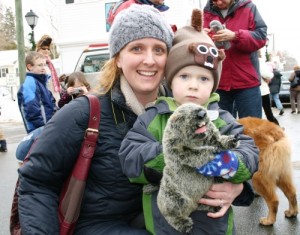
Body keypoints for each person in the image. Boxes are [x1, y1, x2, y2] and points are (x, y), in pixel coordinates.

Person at [17, 5, 173, 234]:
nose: (149, 60)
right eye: (137, 48)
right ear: (118, 58)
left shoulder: (181, 112)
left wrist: (232, 187)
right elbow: (37, 182)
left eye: (159, 50)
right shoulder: (84, 113)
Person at [119, 9, 259, 235]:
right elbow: (130, 158)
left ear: (213, 85)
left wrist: (230, 164)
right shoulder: (155, 116)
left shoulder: (221, 118)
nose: (193, 85)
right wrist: (177, 155)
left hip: (216, 226)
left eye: (203, 78)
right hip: (167, 225)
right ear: (170, 80)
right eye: (184, 76)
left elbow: (249, 151)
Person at [203, 0, 267, 118]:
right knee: (220, 129)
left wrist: (236, 36)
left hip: (247, 81)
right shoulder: (206, 12)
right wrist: (202, 36)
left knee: (251, 129)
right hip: (218, 81)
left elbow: (261, 37)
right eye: (214, 0)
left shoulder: (249, 8)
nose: (219, 2)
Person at [17, 51, 57, 134]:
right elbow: (31, 110)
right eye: (39, 65)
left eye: (44, 65)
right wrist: (43, 129)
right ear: (29, 67)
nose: (43, 68)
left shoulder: (41, 82)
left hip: (48, 128)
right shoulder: (30, 84)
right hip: (40, 131)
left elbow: (52, 103)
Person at [36, 34, 62, 104]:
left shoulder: (49, 63)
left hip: (54, 94)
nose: (46, 51)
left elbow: (51, 79)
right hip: (45, 97)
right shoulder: (36, 62)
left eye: (48, 49)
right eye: (44, 48)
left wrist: (59, 80)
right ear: (38, 49)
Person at [258, 51, 280, 125]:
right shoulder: (260, 61)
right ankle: (277, 130)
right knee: (268, 113)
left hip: (252, 90)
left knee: (257, 113)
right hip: (262, 90)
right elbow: (267, 75)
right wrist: (271, 75)